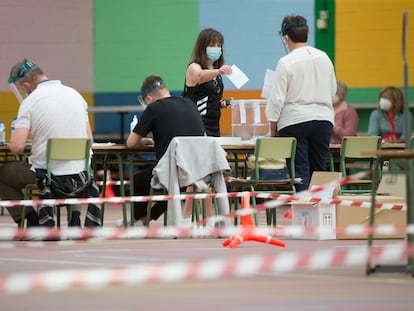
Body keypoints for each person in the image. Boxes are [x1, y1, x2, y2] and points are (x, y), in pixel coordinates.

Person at [0, 59, 101, 227]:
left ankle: (31, 220)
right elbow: (89, 140)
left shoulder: (30, 102)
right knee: (70, 165)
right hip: (82, 175)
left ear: (26, 85)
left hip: (48, 175)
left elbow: (16, 148)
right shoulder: (75, 94)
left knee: (2, 174)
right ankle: (74, 217)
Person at [265, 15, 337, 192]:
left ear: (286, 37)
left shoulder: (286, 62)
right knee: (319, 171)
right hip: (323, 120)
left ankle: (303, 216)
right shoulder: (324, 57)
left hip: (294, 121)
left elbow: (277, 99)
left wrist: (272, 128)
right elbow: (333, 90)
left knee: (300, 173)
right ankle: (321, 214)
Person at [126, 75, 206, 226]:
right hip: (196, 171)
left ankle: (137, 221)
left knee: (138, 181)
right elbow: (204, 137)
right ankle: (145, 219)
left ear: (148, 99)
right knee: (175, 187)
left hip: (172, 172)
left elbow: (131, 143)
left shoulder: (154, 108)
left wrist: (144, 141)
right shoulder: (190, 104)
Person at [183, 28, 232, 137]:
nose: (216, 49)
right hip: (197, 125)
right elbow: (200, 77)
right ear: (203, 47)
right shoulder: (194, 67)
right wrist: (218, 71)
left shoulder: (216, 72)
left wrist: (221, 103)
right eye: (212, 45)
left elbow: (208, 97)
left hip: (213, 125)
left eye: (219, 46)